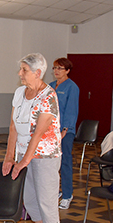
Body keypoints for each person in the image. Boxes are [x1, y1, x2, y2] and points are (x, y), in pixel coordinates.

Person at [2, 53, 63, 223]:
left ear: (38, 73)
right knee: (29, 199)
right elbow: (13, 127)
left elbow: (38, 134)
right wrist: (9, 157)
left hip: (45, 155)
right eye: (21, 69)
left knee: (46, 198)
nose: (20, 73)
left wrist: (23, 162)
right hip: (22, 153)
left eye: (24, 70)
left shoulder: (49, 96)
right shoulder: (20, 92)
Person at [49, 58, 79, 210]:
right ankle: (55, 192)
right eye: (55, 68)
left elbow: (71, 110)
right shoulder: (51, 86)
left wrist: (65, 129)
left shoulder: (72, 87)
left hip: (64, 131)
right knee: (51, 163)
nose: (56, 71)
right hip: (50, 130)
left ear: (67, 70)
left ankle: (67, 194)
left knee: (65, 162)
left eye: (60, 68)